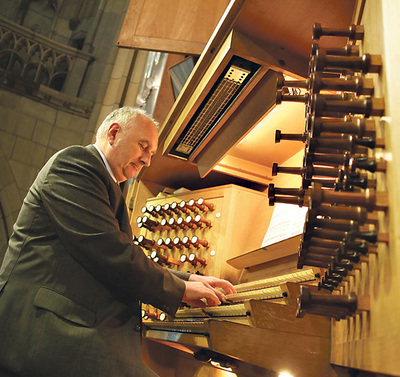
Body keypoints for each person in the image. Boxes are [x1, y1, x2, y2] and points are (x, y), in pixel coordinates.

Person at [0, 107, 236, 377]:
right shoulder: (75, 164)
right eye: (143, 146)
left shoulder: (105, 181)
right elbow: (110, 252)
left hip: (75, 325)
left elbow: (117, 251)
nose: (147, 160)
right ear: (113, 134)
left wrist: (188, 280)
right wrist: (179, 289)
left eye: (151, 153)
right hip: (46, 330)